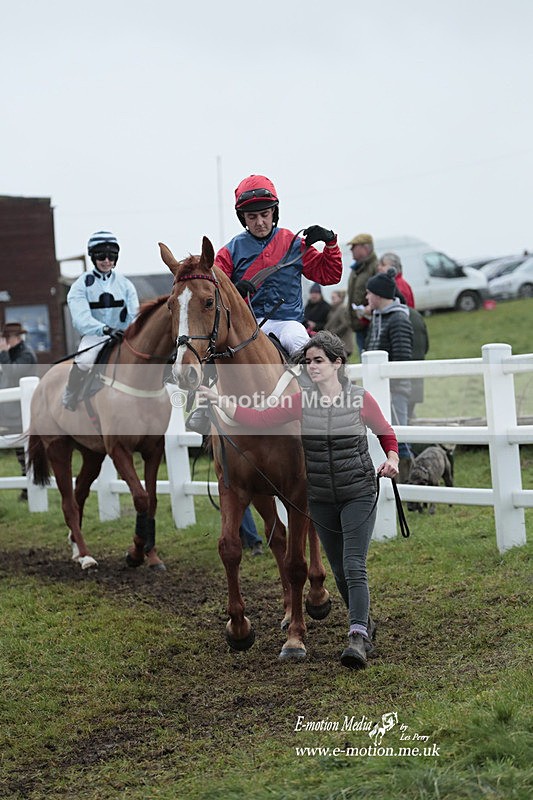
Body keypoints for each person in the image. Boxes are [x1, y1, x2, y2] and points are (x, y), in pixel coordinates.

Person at [196, 330, 399, 670]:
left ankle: (357, 635)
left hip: (357, 490)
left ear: (337, 363)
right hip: (322, 496)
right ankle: (363, 622)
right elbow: (258, 418)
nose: (311, 367)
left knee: (353, 564)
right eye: (307, 362)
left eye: (318, 361)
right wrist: (217, 400)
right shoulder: (301, 401)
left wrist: (392, 458)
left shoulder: (359, 398)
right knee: (337, 568)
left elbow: (385, 431)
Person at [186, 174, 342, 436]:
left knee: (302, 344)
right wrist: (235, 289)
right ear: (243, 219)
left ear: (274, 213)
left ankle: (322, 407)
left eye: (265, 214)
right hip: (248, 324)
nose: (259, 222)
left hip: (286, 322)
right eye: (252, 217)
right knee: (216, 348)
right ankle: (205, 407)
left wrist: (331, 243)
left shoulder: (294, 243)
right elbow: (211, 287)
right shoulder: (231, 250)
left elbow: (329, 275)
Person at [63, 231, 140, 410]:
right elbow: (81, 319)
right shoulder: (79, 286)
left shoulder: (125, 284)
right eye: (101, 256)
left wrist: (129, 329)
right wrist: (105, 330)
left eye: (112, 256)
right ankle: (71, 392)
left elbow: (134, 313)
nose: (107, 261)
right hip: (96, 336)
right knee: (84, 359)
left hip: (123, 335)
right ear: (92, 257)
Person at [363, 272, 414, 482]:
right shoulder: (378, 317)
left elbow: (402, 357)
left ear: (378, 295)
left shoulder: (399, 319)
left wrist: (393, 385)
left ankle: (410, 484)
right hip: (379, 388)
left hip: (395, 389)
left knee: (399, 437)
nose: (366, 297)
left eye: (369, 293)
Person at [0, 322, 37, 500]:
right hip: (10, 412)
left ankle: (29, 488)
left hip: (20, 412)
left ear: (14, 338)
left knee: (24, 451)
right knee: (19, 450)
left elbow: (12, 373)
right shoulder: (13, 353)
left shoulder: (26, 354)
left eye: (6, 338)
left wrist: (4, 353)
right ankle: (27, 487)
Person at [346, 233, 378, 356]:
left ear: (365, 248)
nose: (351, 250)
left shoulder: (375, 267)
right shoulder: (356, 268)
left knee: (371, 358)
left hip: (369, 323)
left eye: (354, 246)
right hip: (359, 323)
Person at [324, 290, 353, 358]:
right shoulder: (333, 309)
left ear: (340, 298)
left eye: (334, 298)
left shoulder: (342, 308)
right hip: (336, 343)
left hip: (344, 343)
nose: (332, 299)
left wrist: (333, 333)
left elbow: (345, 324)